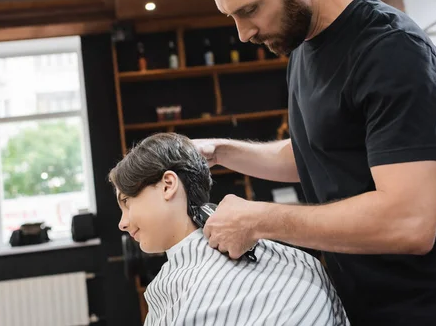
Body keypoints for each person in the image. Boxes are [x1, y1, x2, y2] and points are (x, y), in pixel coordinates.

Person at [181, 0, 436, 325]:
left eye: (249, 10)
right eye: (231, 16)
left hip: (431, 308)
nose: (243, 33)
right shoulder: (303, 45)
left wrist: (259, 220)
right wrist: (222, 151)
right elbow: (319, 150)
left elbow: (410, 222)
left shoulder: (392, 50)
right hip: (358, 302)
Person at [109, 133, 349, 325]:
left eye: (127, 203)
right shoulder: (298, 261)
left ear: (167, 185)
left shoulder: (189, 295)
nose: (123, 222)